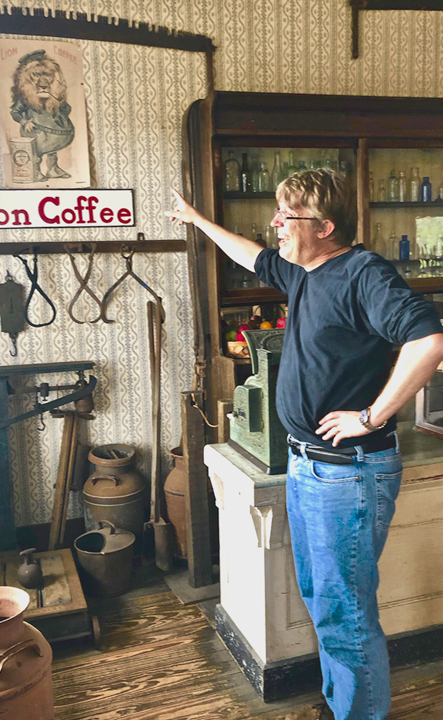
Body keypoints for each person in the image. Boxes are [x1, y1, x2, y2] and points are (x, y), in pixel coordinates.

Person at [166, 169, 443, 720]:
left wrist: (371, 415)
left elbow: (429, 339)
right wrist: (199, 222)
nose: (274, 225)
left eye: (285, 216)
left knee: (344, 614)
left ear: (325, 226)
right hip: (308, 466)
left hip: (348, 472)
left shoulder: (363, 273)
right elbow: (252, 256)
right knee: (321, 599)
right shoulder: (304, 272)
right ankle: (344, 703)